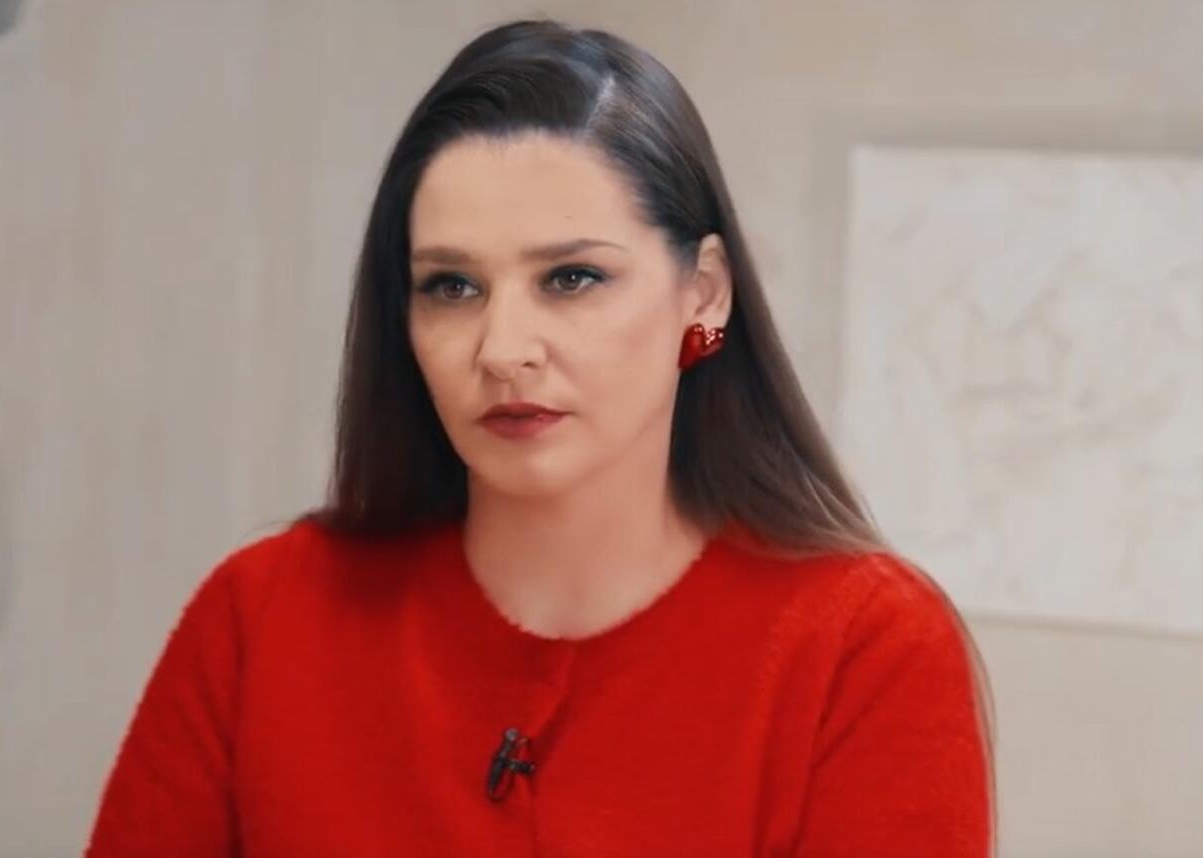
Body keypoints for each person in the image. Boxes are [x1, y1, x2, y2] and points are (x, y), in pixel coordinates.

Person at [85, 16, 995, 857]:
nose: (503, 350)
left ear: (704, 294)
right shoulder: (261, 617)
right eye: (452, 287)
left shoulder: (864, 650)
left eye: (570, 279)